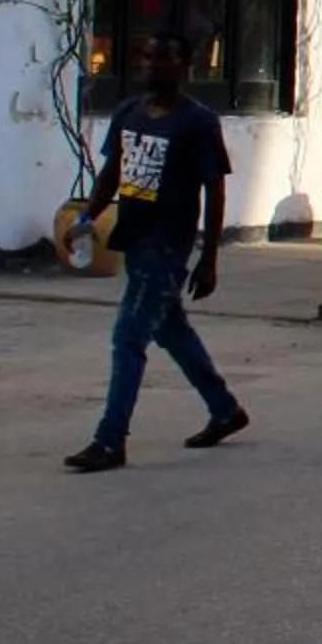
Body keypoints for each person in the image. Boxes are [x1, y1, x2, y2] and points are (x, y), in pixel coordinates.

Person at [64, 34, 250, 473]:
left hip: (167, 244)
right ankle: (224, 409)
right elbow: (113, 173)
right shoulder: (129, 113)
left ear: (185, 64)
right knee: (171, 331)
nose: (153, 66)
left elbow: (215, 188)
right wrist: (87, 218)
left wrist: (209, 257)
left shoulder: (197, 122)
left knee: (129, 338)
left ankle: (110, 441)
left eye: (164, 57)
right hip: (135, 235)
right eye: (148, 57)